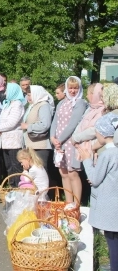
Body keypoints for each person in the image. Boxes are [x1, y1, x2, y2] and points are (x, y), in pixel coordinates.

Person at [77, 113, 118, 271]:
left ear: (102, 133)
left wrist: (87, 158)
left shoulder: (108, 154)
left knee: (113, 247)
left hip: (111, 210)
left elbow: (95, 178)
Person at [50, 76, 87, 203]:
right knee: (63, 173)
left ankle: (76, 204)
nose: (72, 91)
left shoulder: (80, 103)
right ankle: (68, 203)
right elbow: (55, 121)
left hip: (71, 142)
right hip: (59, 143)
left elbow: (73, 124)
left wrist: (59, 139)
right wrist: (52, 137)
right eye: (70, 88)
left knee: (73, 173)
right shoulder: (61, 103)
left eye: (75, 88)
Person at [0, 83, 26, 187]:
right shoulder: (8, 104)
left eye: (7, 90)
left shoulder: (17, 104)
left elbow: (12, 123)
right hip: (6, 140)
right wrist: (0, 129)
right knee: (8, 166)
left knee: (15, 166)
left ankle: (18, 188)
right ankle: (12, 186)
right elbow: (2, 121)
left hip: (14, 141)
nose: (5, 92)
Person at [21, 85, 55, 175]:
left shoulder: (44, 105)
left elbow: (45, 124)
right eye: (28, 95)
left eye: (31, 95)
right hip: (31, 145)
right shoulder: (32, 106)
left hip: (40, 145)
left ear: (37, 94)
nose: (29, 97)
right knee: (33, 172)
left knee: (41, 172)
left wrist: (28, 126)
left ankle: (45, 189)